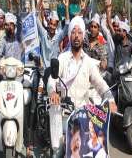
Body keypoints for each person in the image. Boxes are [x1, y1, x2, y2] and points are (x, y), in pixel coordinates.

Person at [47, 16, 118, 157]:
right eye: (73, 32)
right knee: (58, 152)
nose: (77, 36)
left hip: (84, 116)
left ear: (83, 35)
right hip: (64, 114)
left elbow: (101, 84)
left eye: (80, 32)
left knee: (96, 150)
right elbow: (52, 80)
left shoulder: (88, 63)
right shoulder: (62, 58)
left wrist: (110, 99)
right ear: (69, 35)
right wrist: (53, 93)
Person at [37, 0, 70, 68]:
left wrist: (67, 7)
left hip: (54, 72)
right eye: (51, 24)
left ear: (56, 26)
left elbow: (67, 25)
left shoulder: (58, 36)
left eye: (54, 25)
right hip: (43, 71)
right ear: (48, 24)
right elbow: (35, 17)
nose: (52, 27)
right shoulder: (43, 34)